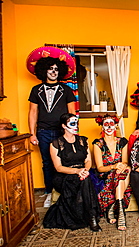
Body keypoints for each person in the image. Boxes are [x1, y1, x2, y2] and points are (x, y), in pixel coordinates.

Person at [27, 47, 76, 207]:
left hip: (62, 131)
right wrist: (32, 134)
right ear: (44, 70)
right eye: (50, 68)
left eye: (56, 69)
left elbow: (72, 112)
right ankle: (49, 192)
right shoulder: (36, 90)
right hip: (43, 132)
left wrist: (72, 131)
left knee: (65, 162)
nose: (53, 71)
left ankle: (64, 192)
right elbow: (33, 112)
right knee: (47, 163)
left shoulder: (67, 90)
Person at [43, 113, 101, 232]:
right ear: (64, 126)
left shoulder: (83, 140)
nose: (76, 126)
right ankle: (92, 216)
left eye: (77, 123)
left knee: (85, 179)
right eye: (72, 123)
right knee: (82, 180)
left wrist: (84, 170)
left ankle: (91, 216)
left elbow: (88, 160)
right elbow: (58, 167)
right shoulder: (55, 144)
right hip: (64, 175)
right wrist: (76, 171)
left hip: (83, 172)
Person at [93, 114, 131, 231]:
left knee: (127, 169)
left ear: (116, 126)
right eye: (106, 124)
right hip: (106, 175)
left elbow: (124, 161)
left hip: (120, 173)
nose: (109, 127)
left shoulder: (123, 142)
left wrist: (121, 167)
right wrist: (114, 166)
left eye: (111, 124)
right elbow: (100, 168)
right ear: (102, 127)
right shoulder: (98, 144)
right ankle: (121, 212)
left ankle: (115, 208)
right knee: (119, 174)